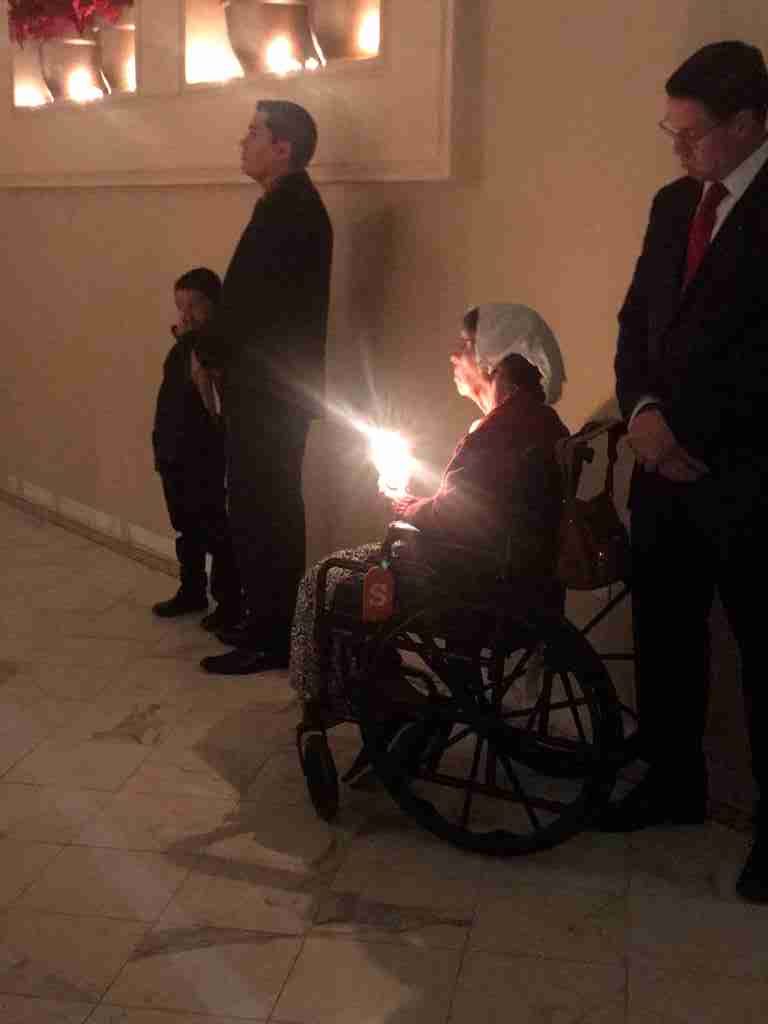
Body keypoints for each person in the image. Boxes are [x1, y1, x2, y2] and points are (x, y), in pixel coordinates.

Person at [608, 41, 768, 902]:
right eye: (670, 131)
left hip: (745, 474)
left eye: (692, 133)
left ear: (747, 123)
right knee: (664, 633)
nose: (678, 148)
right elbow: (637, 323)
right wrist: (641, 412)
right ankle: (671, 782)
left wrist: (686, 433)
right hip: (660, 463)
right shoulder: (674, 205)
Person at [290, 303, 568, 716]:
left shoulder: (498, 431)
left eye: (466, 345)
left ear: (493, 358)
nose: (454, 355)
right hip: (519, 580)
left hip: (470, 586)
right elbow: (484, 507)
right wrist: (420, 504)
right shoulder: (540, 422)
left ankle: (360, 704)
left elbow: (459, 518)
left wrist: (411, 508)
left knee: (326, 578)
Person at [193, 100, 333, 675]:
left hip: (270, 391)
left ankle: (271, 634)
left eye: (253, 133)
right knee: (264, 506)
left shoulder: (288, 211)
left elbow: (248, 303)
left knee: (264, 510)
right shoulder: (289, 206)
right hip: (275, 389)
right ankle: (266, 623)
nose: (242, 142)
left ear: (283, 148)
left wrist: (206, 352)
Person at [151, 267, 242, 630]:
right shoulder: (181, 349)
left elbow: (217, 404)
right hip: (172, 453)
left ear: (214, 305)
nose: (186, 314)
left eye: (195, 305)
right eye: (180, 306)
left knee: (216, 529)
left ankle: (230, 603)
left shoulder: (215, 351)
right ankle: (191, 590)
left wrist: (200, 349)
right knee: (185, 527)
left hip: (203, 458)